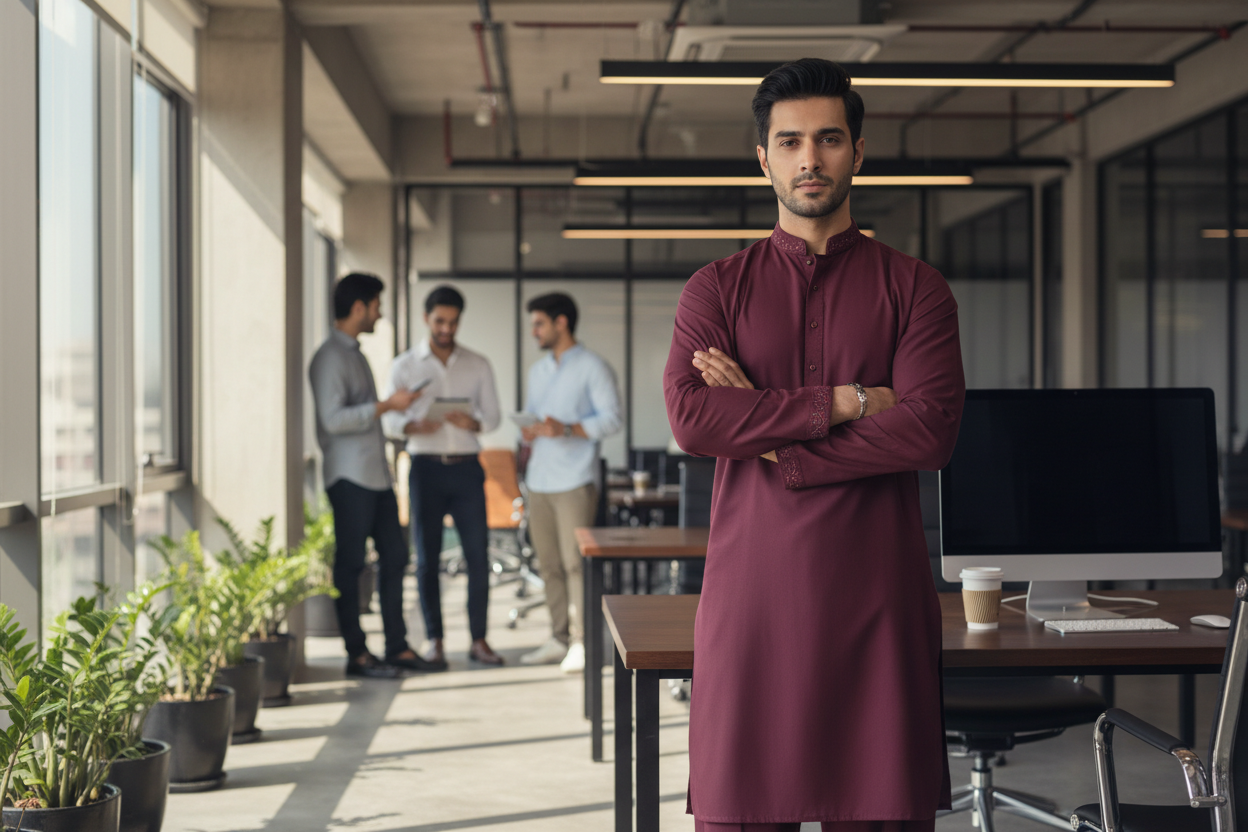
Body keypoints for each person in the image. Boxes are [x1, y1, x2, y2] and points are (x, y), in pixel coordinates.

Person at [663, 59, 965, 831]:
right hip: (752, 608)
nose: (810, 159)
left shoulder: (917, 288)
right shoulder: (715, 289)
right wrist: (847, 402)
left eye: (829, 139)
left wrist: (771, 436)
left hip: (878, 608)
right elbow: (694, 419)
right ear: (763, 158)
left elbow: (931, 429)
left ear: (858, 152)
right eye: (790, 142)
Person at [309, 272, 443, 678]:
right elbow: (332, 421)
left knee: (396, 557)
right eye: (376, 305)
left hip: (375, 475)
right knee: (350, 565)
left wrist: (391, 407)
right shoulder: (329, 357)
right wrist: (386, 406)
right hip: (349, 478)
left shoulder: (355, 353)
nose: (380, 313)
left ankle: (397, 647)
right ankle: (357, 655)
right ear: (358, 307)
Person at [382, 285, 504, 667]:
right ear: (426, 319)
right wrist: (412, 425)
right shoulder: (404, 365)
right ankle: (434, 640)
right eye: (440, 321)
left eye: (452, 322)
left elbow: (494, 416)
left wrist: (474, 422)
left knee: (477, 557)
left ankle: (479, 640)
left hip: (467, 467)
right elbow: (387, 418)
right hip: (425, 468)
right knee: (427, 558)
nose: (446, 329)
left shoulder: (478, 363)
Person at [518, 293, 621, 673]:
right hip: (540, 480)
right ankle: (557, 637)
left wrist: (566, 428)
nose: (534, 331)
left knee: (575, 564)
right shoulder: (538, 371)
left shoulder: (594, 367)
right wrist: (529, 432)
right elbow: (538, 421)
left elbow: (612, 419)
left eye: (539, 323)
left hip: (575, 480)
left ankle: (582, 641)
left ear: (562, 323)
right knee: (548, 565)